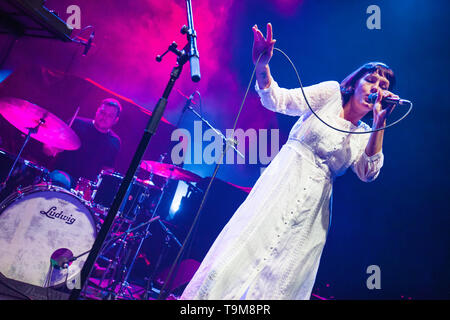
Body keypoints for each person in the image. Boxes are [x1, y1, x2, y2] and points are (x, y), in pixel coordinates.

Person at [180, 23, 399, 300]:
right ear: (355, 82)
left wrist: (380, 122)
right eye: (371, 81)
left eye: (384, 86)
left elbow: (368, 173)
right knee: (245, 250)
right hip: (283, 182)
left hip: (314, 210)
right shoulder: (330, 93)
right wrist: (262, 66)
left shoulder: (366, 133)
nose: (376, 89)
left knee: (283, 272)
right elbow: (278, 100)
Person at [43, 98, 122, 188]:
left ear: (116, 120)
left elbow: (107, 169)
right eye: (102, 113)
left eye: (110, 116)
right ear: (97, 111)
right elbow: (49, 146)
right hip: (63, 175)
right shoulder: (76, 123)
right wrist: (51, 148)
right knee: (60, 179)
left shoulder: (115, 141)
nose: (104, 117)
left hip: (86, 187)